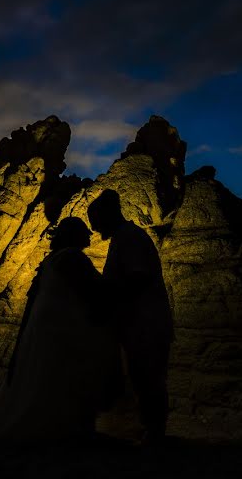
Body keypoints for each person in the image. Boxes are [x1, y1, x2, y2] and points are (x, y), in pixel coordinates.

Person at [0, 217, 122, 443]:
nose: (90, 234)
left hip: (47, 327)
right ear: (74, 235)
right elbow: (95, 290)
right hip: (64, 330)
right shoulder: (73, 257)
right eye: (85, 231)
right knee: (64, 376)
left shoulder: (51, 260)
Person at [87, 189, 174, 445]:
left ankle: (155, 433)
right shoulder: (122, 238)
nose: (94, 229)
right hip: (138, 323)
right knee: (142, 377)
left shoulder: (130, 238)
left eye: (96, 222)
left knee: (149, 377)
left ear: (107, 215)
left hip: (146, 323)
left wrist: (109, 300)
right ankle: (150, 429)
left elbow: (138, 277)